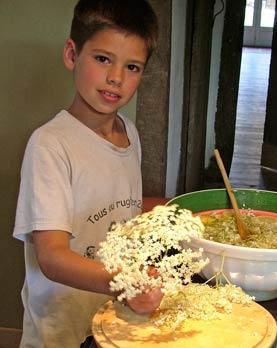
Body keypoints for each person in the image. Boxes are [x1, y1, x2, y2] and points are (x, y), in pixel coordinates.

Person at [13, 1, 163, 347]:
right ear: (71, 54)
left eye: (133, 66)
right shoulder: (50, 145)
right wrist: (125, 281)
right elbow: (51, 256)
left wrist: (170, 214)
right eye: (102, 59)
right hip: (61, 331)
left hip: (109, 323)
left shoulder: (130, 132)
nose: (117, 77)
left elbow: (120, 209)